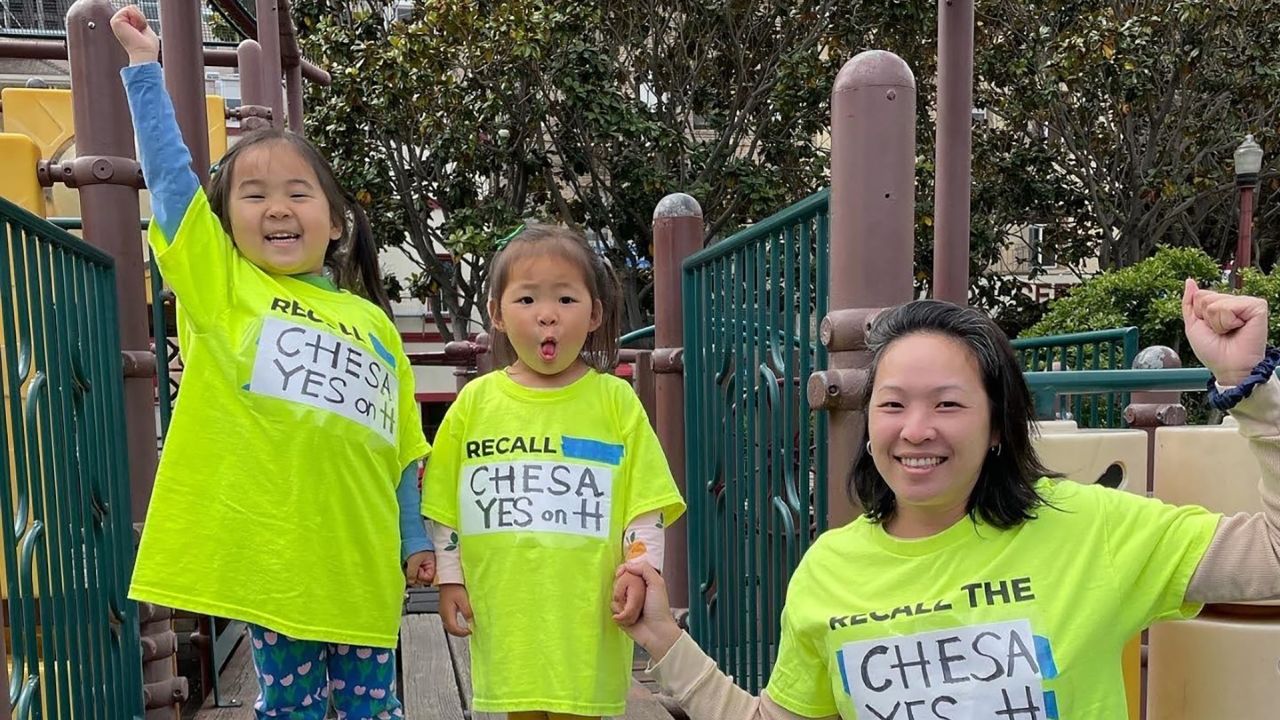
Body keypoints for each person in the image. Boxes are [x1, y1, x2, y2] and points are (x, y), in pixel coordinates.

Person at [616, 282, 1280, 719]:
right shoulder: (829, 568)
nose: (916, 430)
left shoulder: (1089, 526)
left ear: (997, 427)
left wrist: (1252, 388)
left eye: (949, 405)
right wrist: (662, 637)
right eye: (893, 405)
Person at [111, 7, 433, 717]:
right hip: (276, 570)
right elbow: (170, 183)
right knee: (293, 711)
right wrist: (143, 67)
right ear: (226, 227)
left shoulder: (375, 323)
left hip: (360, 569)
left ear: (337, 219)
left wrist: (414, 537)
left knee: (375, 711)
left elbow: (400, 445)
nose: (276, 207)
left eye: (297, 192)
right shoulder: (224, 288)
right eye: (252, 196)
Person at [421, 224, 686, 719]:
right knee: (519, 708)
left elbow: (646, 503)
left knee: (579, 707)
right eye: (526, 300)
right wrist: (450, 580)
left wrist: (640, 574)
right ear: (497, 315)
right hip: (506, 611)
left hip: (586, 613)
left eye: (566, 298)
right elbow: (445, 508)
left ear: (595, 314)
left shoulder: (615, 401)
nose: (547, 315)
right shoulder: (474, 404)